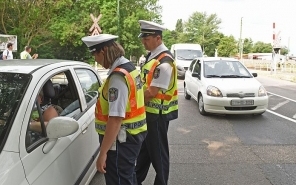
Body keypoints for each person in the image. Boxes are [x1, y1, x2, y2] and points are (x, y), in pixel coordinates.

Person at [81, 34, 147, 185]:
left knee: (119, 180)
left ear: (103, 51)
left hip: (120, 142)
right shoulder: (129, 67)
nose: (95, 60)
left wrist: (103, 153)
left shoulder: (117, 77)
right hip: (132, 136)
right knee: (128, 177)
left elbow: (116, 118)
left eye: (95, 55)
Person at [135, 20, 179, 185]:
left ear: (158, 39)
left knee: (159, 154)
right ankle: (135, 179)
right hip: (149, 113)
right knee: (145, 151)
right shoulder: (152, 57)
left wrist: (131, 103)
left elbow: (152, 92)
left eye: (146, 39)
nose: (143, 41)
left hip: (157, 115)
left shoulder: (164, 62)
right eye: (143, 38)